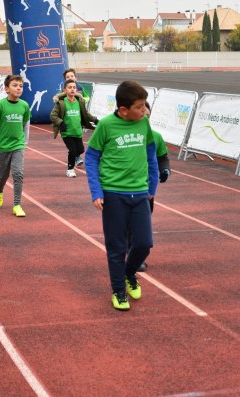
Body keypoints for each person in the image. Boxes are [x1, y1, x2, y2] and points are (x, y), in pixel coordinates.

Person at [84, 80, 158, 311]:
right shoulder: (106, 125)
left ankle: (129, 273)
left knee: (144, 243)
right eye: (139, 107)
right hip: (114, 194)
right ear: (123, 110)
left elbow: (150, 155)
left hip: (140, 194)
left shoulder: (144, 124)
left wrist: (152, 188)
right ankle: (119, 291)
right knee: (116, 247)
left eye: (145, 105)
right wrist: (96, 191)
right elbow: (91, 157)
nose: (144, 111)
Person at [0, 75, 31, 217]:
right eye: (15, 85)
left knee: (18, 174)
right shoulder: (0, 105)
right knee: (2, 176)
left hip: (18, 146)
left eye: (21, 86)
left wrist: (24, 143)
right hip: (3, 147)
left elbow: (26, 126)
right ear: (6, 89)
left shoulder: (24, 105)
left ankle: (17, 205)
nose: (18, 88)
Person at [136, 102, 171, 272]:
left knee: (143, 224)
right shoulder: (126, 135)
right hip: (125, 187)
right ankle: (131, 255)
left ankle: (139, 257)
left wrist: (165, 170)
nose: (146, 119)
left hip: (147, 190)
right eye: (143, 115)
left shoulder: (156, 137)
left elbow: (163, 157)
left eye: (148, 116)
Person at [50, 79, 98, 178]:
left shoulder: (79, 102)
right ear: (64, 90)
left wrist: (95, 120)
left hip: (78, 131)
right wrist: (61, 122)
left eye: (74, 87)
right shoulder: (61, 103)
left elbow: (86, 114)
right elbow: (53, 115)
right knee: (72, 150)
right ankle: (70, 169)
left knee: (80, 150)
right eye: (70, 87)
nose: (72, 89)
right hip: (67, 133)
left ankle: (75, 157)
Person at [60, 68, 90, 167]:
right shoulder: (64, 91)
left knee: (80, 147)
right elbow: (58, 102)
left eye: (72, 76)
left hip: (79, 116)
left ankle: (77, 154)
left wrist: (82, 99)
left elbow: (87, 97)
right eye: (67, 77)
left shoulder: (80, 88)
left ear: (75, 77)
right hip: (68, 120)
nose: (70, 78)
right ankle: (76, 158)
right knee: (72, 147)